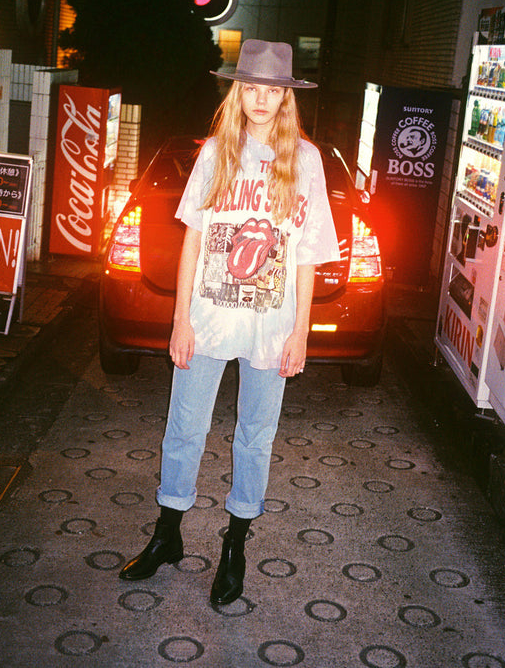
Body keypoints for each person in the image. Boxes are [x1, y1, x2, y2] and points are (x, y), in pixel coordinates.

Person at [119, 39, 340, 606]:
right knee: (184, 426)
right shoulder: (217, 151)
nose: (262, 99)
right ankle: (167, 534)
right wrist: (181, 320)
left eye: (273, 90)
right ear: (238, 91)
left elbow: (309, 254)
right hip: (209, 317)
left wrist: (301, 331)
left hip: (273, 324)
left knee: (255, 437)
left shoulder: (306, 161)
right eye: (252, 88)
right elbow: (193, 237)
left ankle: (236, 543)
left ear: (287, 98)